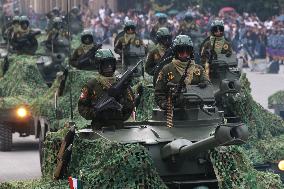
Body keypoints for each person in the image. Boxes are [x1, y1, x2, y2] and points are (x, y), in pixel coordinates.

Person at [78, 49, 135, 129]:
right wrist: (95, 113)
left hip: (118, 126)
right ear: (99, 66)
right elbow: (82, 107)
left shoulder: (121, 84)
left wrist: (121, 104)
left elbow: (130, 104)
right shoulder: (91, 85)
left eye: (111, 64)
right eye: (105, 64)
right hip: (99, 127)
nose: (109, 67)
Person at [155, 35, 209, 110]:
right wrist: (163, 103)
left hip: (196, 110)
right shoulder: (166, 69)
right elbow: (159, 92)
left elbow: (207, 83)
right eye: (181, 50)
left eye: (188, 51)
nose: (185, 54)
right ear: (176, 52)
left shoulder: (199, 69)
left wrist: (205, 84)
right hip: (174, 111)